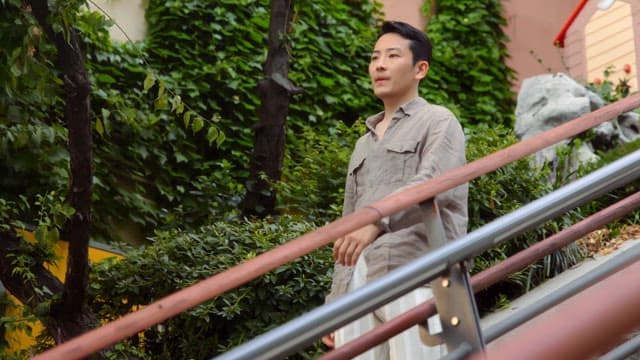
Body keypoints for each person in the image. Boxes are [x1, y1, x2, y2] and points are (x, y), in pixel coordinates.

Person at [323, 20, 468, 359]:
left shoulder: (439, 121)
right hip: (361, 282)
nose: (380, 65)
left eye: (392, 56)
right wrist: (335, 304)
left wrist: (376, 221)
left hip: (422, 275)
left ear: (421, 69)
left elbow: (435, 185)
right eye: (375, 58)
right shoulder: (363, 143)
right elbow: (348, 224)